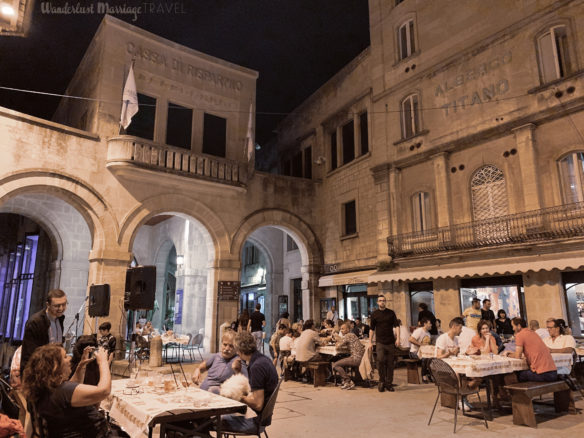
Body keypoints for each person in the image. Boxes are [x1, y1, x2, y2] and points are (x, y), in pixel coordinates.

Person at [22, 344, 116, 437]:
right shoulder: (63, 391)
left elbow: (71, 391)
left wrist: (81, 366)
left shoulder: (47, 390)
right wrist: (104, 362)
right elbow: (103, 391)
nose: (70, 358)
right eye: (65, 356)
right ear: (55, 365)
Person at [220, 331, 279, 434]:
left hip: (256, 422)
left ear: (238, 350)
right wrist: (238, 372)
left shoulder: (257, 367)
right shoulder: (264, 360)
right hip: (263, 419)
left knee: (210, 421)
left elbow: (257, 404)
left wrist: (237, 396)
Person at [21, 289, 68, 373]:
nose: (61, 308)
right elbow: (30, 355)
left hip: (54, 370)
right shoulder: (35, 322)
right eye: (57, 306)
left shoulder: (59, 319)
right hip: (38, 372)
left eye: (64, 304)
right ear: (48, 305)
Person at [504, 317, 557, 382]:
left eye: (513, 326)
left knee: (510, 377)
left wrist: (508, 354)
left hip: (542, 374)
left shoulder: (520, 335)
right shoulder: (533, 333)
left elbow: (518, 356)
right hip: (553, 372)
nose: (513, 329)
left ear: (519, 326)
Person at [370, 294, 400, 392]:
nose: (382, 302)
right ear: (377, 302)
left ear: (385, 302)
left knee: (390, 363)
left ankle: (389, 383)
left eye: (383, 300)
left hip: (390, 341)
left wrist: (398, 338)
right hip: (380, 342)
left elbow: (396, 326)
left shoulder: (391, 313)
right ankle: (381, 381)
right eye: (380, 300)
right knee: (380, 360)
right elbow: (371, 329)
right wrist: (370, 342)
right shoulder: (374, 314)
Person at [332, 322, 365, 390]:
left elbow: (338, 346)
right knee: (342, 359)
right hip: (361, 357)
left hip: (356, 358)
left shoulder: (348, 335)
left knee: (335, 365)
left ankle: (348, 381)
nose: (341, 330)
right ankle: (345, 380)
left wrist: (337, 340)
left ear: (348, 329)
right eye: (341, 329)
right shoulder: (352, 335)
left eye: (343, 329)